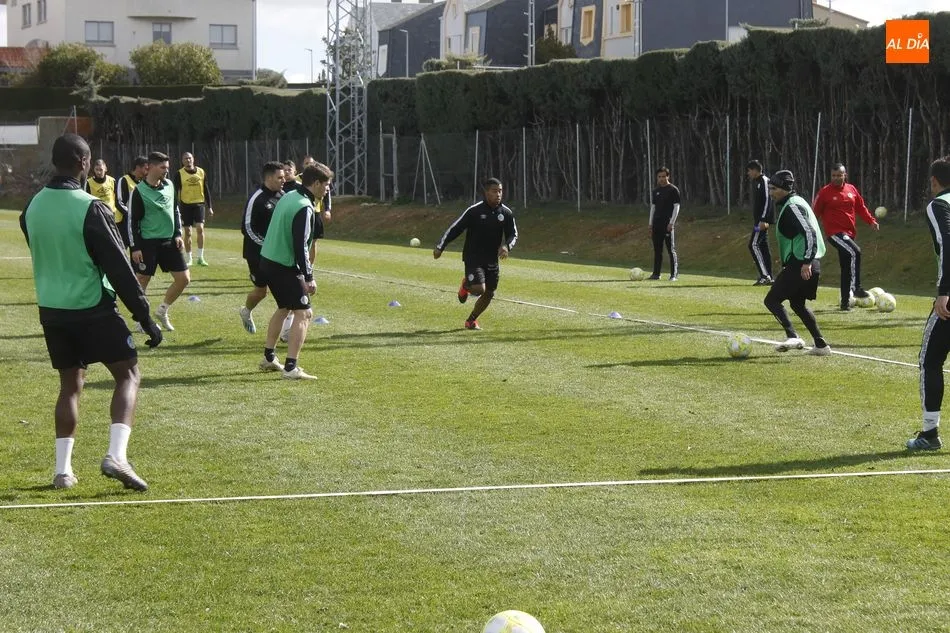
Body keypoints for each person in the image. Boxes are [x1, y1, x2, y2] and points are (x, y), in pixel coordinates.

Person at [19, 134, 161, 491]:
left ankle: (63, 472)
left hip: (52, 310)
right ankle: (116, 456)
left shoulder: (32, 207)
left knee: (70, 385)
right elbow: (119, 269)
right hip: (91, 306)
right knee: (128, 374)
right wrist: (144, 316)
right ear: (84, 163)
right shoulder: (90, 206)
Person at [258, 163, 334, 379]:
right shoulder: (304, 206)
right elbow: (300, 244)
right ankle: (291, 368)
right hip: (283, 264)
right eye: (327, 185)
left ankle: (269, 357)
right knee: (304, 312)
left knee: (284, 308)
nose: (328, 189)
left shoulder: (290, 196)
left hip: (268, 260)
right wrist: (308, 277)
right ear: (316, 183)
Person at [433, 177, 518, 330]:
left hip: (492, 259)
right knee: (479, 289)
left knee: (489, 293)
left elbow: (513, 234)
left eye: (500, 191)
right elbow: (455, 228)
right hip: (473, 257)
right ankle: (466, 284)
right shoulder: (474, 211)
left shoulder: (506, 213)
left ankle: (471, 320)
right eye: (494, 191)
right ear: (486, 193)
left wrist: (506, 246)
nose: (498, 194)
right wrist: (441, 246)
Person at [763, 170, 831, 356]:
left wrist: (806, 262)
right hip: (806, 263)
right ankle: (821, 345)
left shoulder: (793, 206)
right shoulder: (795, 202)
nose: (771, 192)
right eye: (770, 187)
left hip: (803, 264)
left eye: (774, 188)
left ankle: (792, 336)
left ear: (784, 189)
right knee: (797, 304)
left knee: (771, 300)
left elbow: (809, 233)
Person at [908, 156, 950, 451]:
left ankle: (929, 433)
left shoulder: (939, 205)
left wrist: (945, 291)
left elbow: (949, 243)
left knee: (930, 360)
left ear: (935, 181)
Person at [129, 152, 191, 331]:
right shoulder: (139, 191)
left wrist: (178, 233)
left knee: (184, 279)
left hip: (169, 242)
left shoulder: (170, 185)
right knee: (142, 280)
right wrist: (135, 247)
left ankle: (162, 310)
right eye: (163, 167)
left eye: (167, 167)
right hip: (147, 243)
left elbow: (175, 211)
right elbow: (132, 221)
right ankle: (141, 320)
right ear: (151, 167)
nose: (166, 170)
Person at [813, 163, 879, 311]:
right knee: (855, 251)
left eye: (839, 175)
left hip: (849, 234)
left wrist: (871, 221)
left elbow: (861, 208)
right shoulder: (824, 192)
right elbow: (815, 213)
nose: (836, 178)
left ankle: (845, 303)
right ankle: (856, 288)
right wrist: (811, 231)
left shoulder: (852, 189)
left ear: (845, 175)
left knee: (846, 268)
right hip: (834, 233)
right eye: (833, 176)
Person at [239, 161, 285, 334]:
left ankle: (286, 332)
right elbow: (247, 228)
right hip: (256, 254)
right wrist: (267, 245)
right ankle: (246, 311)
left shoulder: (283, 195)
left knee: (284, 293)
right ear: (269, 177)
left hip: (277, 254)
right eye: (280, 177)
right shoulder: (256, 198)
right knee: (261, 292)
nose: (283, 180)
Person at [172, 152, 214, 266]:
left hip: (199, 204)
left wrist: (210, 206)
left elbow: (206, 189)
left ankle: (201, 257)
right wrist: (175, 206)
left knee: (200, 228)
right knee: (188, 232)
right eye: (186, 158)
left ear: (193, 159)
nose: (188, 160)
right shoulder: (179, 174)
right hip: (185, 205)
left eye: (190, 158)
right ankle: (189, 258)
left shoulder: (201, 172)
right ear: (182, 161)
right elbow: (175, 192)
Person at [648, 167, 681, 281]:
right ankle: (656, 274)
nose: (661, 179)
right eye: (659, 177)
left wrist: (672, 222)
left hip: (667, 224)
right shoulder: (655, 191)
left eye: (663, 176)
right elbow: (653, 208)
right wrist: (650, 223)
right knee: (657, 250)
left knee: (670, 249)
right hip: (656, 223)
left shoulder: (673, 190)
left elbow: (676, 207)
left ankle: (674, 275)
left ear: (668, 176)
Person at [746, 160, 774, 285]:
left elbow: (768, 201)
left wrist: (763, 219)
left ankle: (765, 275)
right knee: (763, 246)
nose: (748, 173)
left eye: (749, 170)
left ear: (756, 170)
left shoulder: (764, 181)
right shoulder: (756, 182)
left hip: (762, 222)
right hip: (758, 221)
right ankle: (769, 275)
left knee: (753, 244)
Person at [115, 156, 148, 248]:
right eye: (146, 168)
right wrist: (132, 214)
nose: (148, 171)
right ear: (138, 167)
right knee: (121, 253)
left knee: (137, 252)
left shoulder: (144, 183)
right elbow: (119, 202)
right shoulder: (124, 180)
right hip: (123, 223)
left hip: (137, 222)